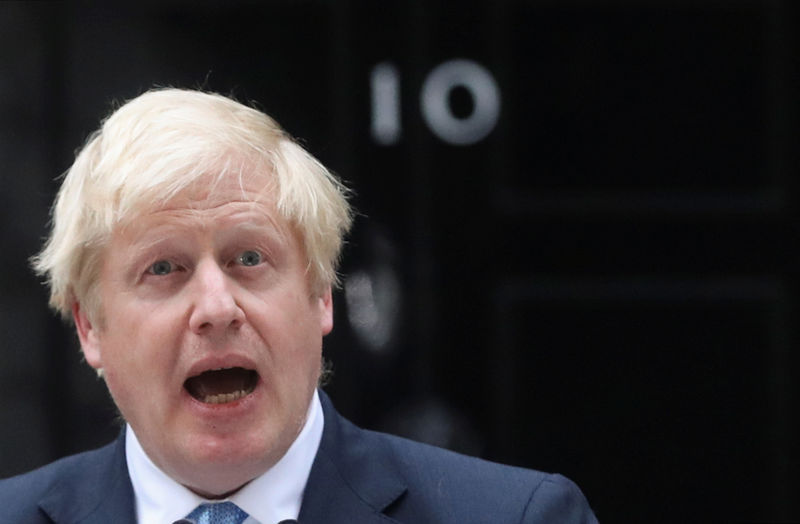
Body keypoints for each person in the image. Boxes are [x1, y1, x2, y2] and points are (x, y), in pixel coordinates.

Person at [0, 88, 598, 523]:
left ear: (320, 294)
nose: (216, 306)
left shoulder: (518, 517)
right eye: (164, 268)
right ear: (89, 326)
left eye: (249, 259)